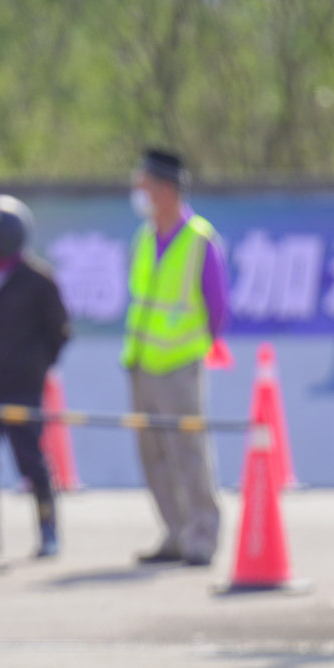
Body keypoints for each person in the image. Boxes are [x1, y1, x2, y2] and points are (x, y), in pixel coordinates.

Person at [123, 147, 229, 565]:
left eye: (144, 185)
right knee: (153, 454)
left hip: (180, 364)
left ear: (166, 190)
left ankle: (203, 534)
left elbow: (217, 306)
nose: (138, 193)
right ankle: (176, 531)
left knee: (189, 453)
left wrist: (194, 345)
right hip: (141, 362)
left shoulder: (199, 239)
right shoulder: (145, 237)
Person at [0, 195, 70, 557]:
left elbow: (59, 332)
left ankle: (48, 529)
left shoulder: (38, 280)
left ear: (7, 237)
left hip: (22, 387)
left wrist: (34, 367)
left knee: (31, 461)